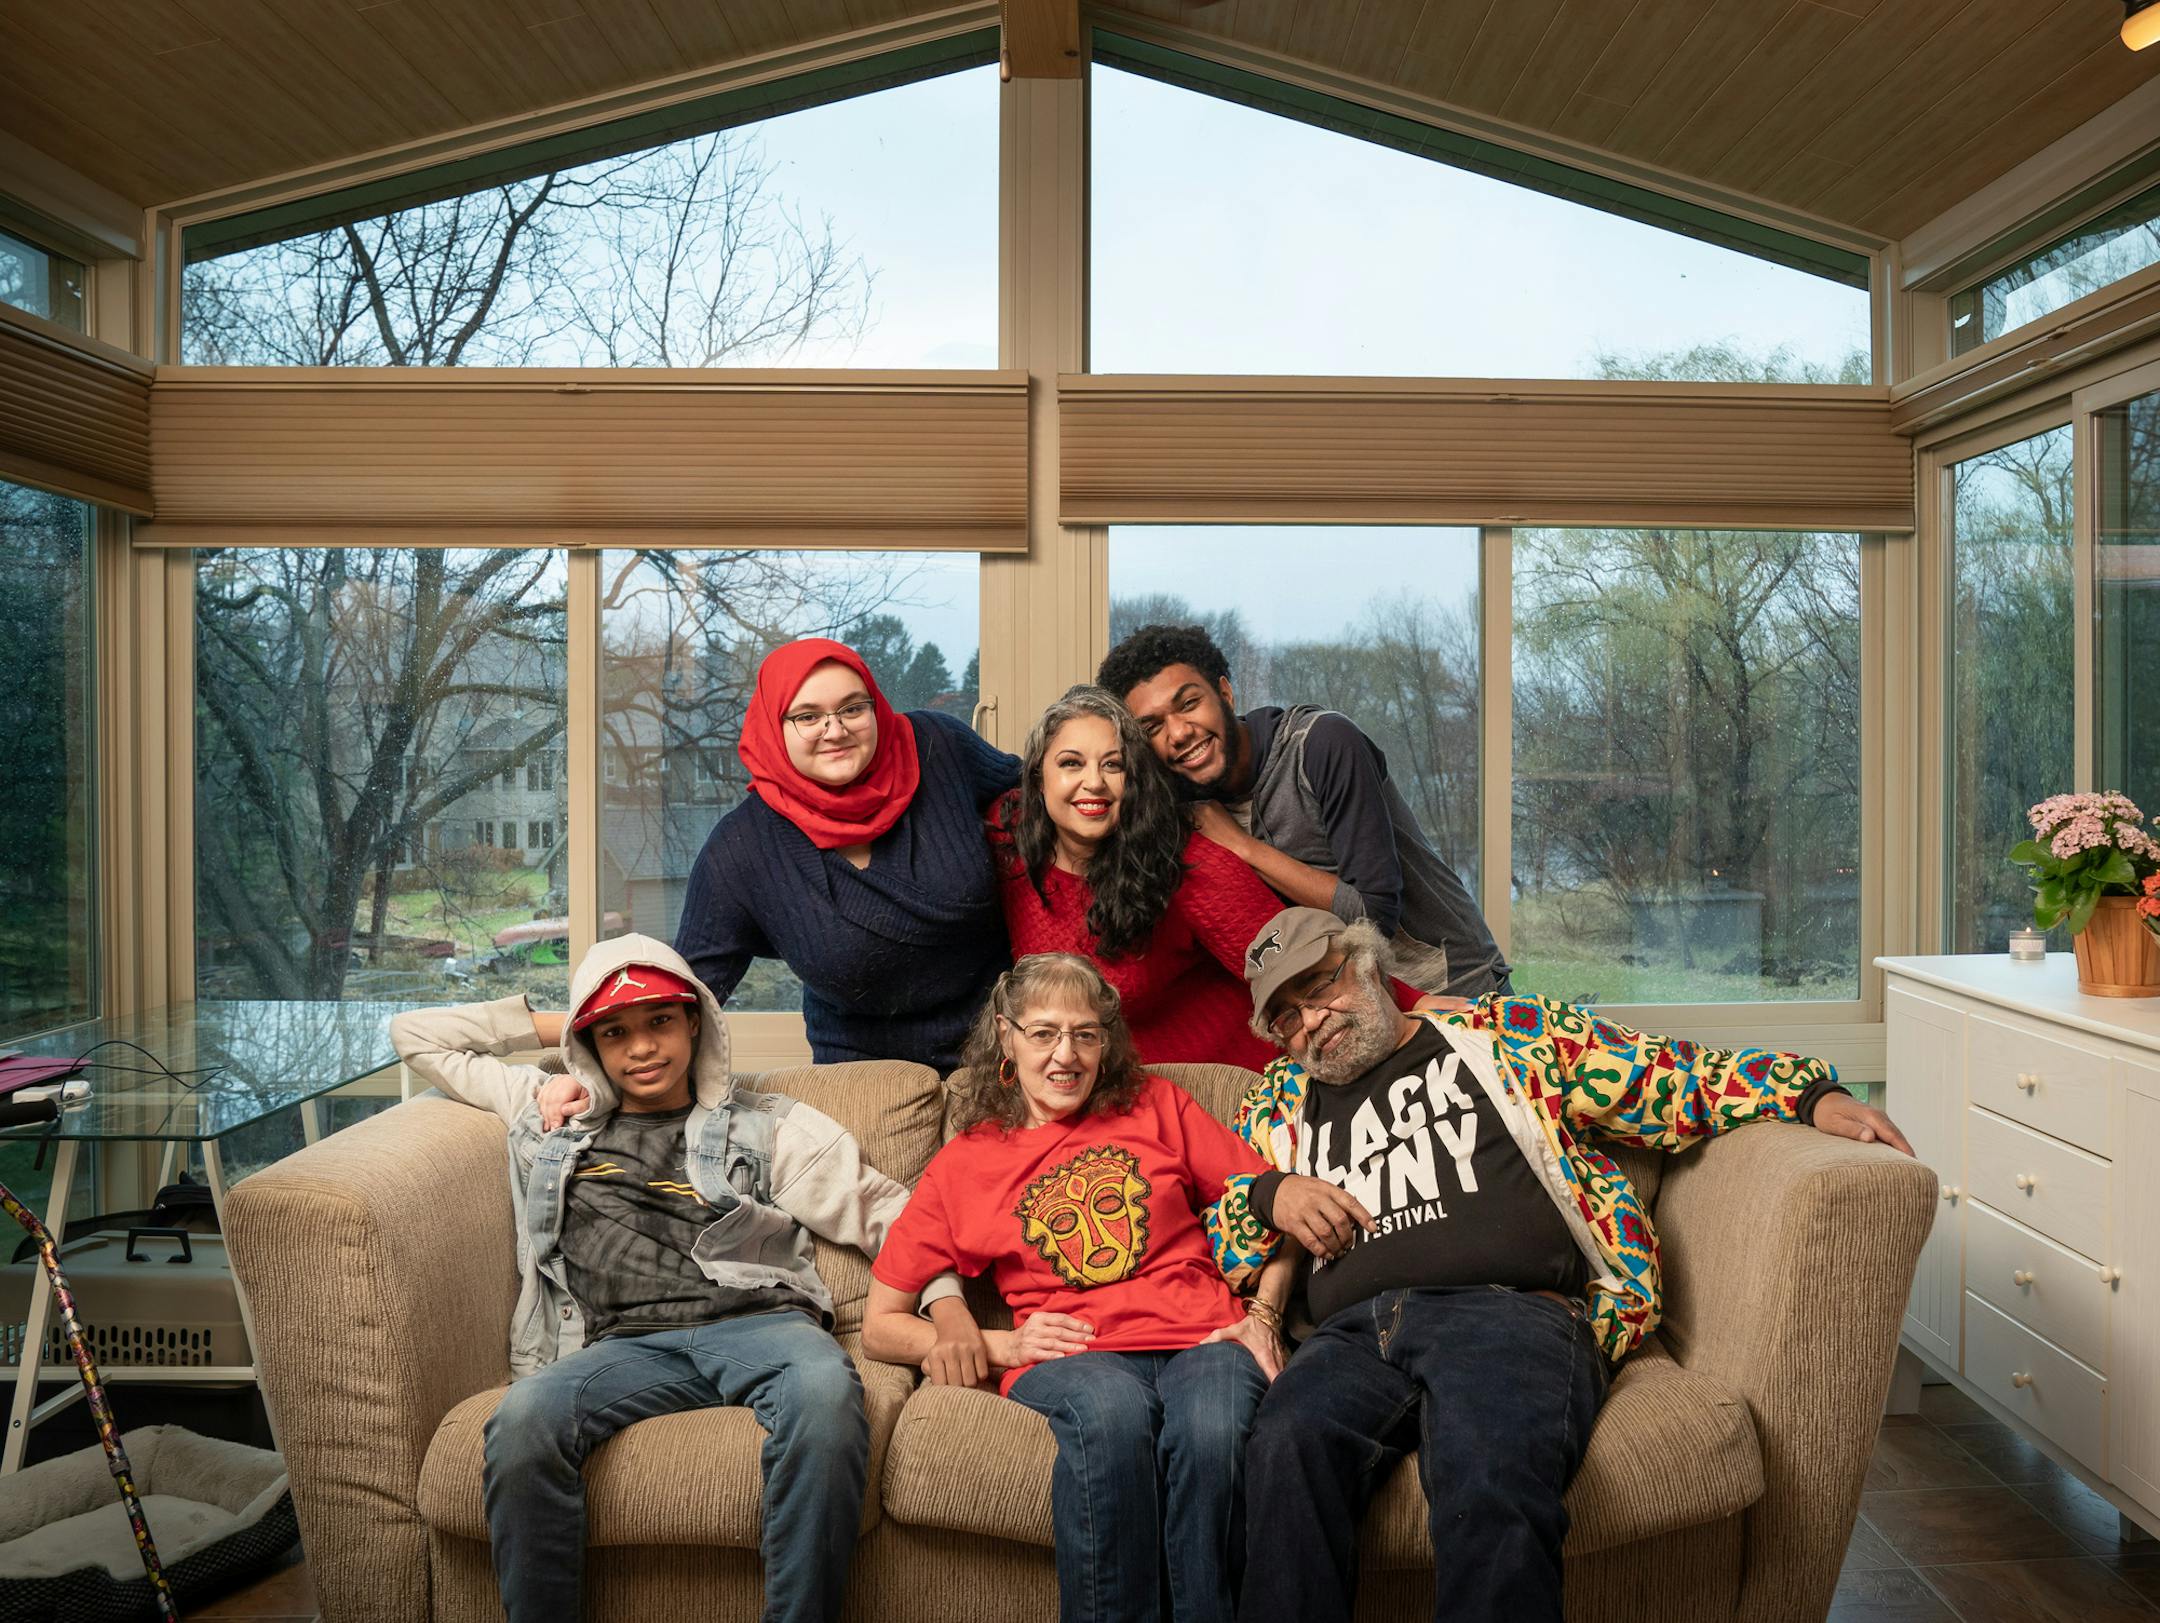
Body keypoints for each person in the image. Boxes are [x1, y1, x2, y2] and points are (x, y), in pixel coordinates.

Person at [1228, 906, 1913, 1623]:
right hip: (1348, 1337)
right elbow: (1225, 1230)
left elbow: (1666, 1075)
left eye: (1321, 985)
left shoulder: (1507, 1035)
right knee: (1282, 1449)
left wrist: (1809, 1094)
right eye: (1286, 1016)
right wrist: (1272, 1192)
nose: (1312, 1020)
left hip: (1505, 1312)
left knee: (1491, 1468)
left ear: (1367, 962)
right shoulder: (1275, 1103)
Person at [389, 933, 981, 1623]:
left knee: (826, 1395)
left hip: (761, 1328)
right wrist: (571, 1026)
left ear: (695, 1020)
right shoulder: (551, 1111)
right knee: (521, 1421)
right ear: (590, 1042)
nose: (642, 1047)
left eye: (660, 1020)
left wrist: (947, 1306)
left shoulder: (765, 1126)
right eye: (616, 1032)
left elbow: (895, 1217)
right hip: (620, 1347)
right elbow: (415, 1034)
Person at [864, 952, 1344, 1623]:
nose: (1066, 1055)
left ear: (1105, 1040)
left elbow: (1273, 1202)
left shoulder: (1158, 1105)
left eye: (1085, 1034)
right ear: (1006, 1035)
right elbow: (879, 1325)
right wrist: (1002, 1346)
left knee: (1213, 1429)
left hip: (1203, 1333)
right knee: (1113, 1417)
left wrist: (1264, 1312)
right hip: (1074, 1355)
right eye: (1044, 1033)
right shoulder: (964, 1162)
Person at [989, 685, 1425, 1073]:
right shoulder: (1007, 840)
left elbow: (1294, 953)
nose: (1094, 783)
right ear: (1038, 779)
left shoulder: (1180, 861)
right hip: (1101, 1090)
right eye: (1071, 763)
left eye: (1113, 765)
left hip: (1228, 1085)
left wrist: (1415, 1005)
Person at [1098, 622, 1509, 999]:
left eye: (1189, 703)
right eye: (1153, 727)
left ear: (1224, 693)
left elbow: (1373, 919)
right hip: (1348, 1010)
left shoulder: (1321, 744)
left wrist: (1243, 847)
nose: (1178, 732)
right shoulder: (1178, 801)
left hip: (1453, 990)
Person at [674, 637, 1020, 1070]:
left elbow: (1048, 802)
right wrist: (607, 1074)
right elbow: (683, 998)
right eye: (807, 716)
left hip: (1008, 1052)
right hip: (864, 1077)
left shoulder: (940, 746)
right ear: (774, 727)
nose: (835, 731)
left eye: (853, 709)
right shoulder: (741, 848)